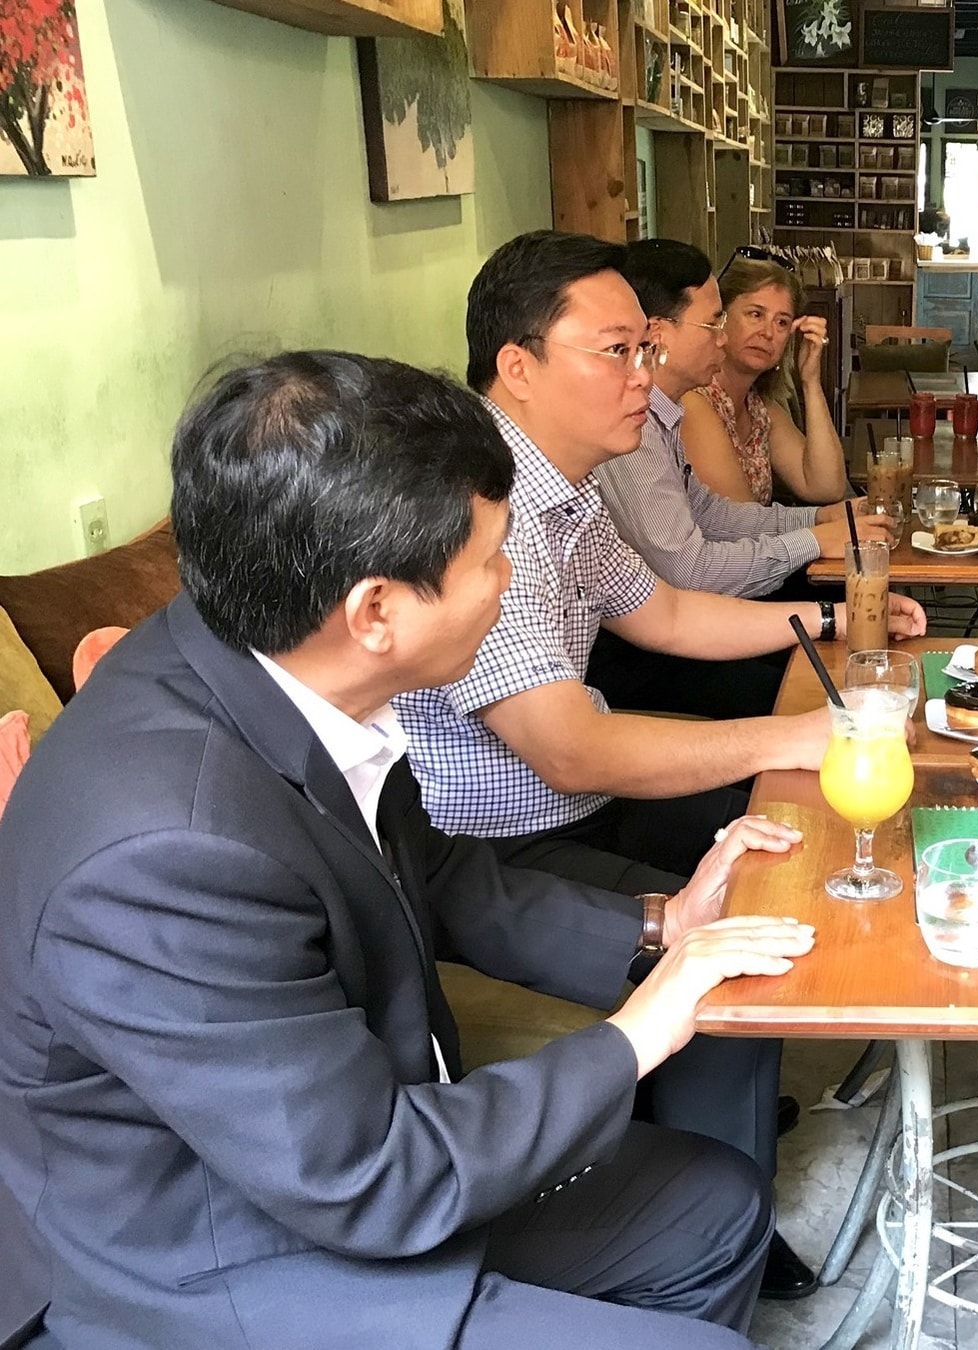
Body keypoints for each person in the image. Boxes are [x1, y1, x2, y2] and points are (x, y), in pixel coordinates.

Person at [0, 351, 820, 1350]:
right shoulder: (165, 851)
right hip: (218, 1266)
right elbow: (370, 1178)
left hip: (345, 1161)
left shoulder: (260, 667)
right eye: (491, 561)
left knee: (711, 1204)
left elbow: (429, 874)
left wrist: (664, 925)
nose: (510, 584)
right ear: (375, 611)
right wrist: (639, 1032)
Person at [392, 231, 924, 1300]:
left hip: (575, 811)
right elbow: (569, 743)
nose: (649, 377)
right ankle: (717, 1209)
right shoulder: (474, 510)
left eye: (648, 348)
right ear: (518, 365)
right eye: (618, 352)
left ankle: (716, 1133)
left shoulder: (564, 487)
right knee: (742, 944)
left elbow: (669, 612)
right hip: (486, 851)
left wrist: (825, 617)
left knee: (782, 845)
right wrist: (796, 737)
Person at [598, 239, 889, 601]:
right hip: (669, 627)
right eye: (714, 323)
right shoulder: (642, 421)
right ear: (657, 335)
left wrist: (823, 519)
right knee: (853, 599)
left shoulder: (668, 412)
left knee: (861, 595)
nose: (721, 339)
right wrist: (815, 538)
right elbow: (694, 569)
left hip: (687, 610)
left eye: (782, 322)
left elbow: (713, 515)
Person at [681, 251, 850, 506]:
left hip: (760, 545)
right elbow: (740, 520)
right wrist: (823, 525)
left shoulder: (759, 409)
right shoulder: (694, 403)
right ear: (720, 319)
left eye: (782, 322)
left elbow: (827, 487)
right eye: (756, 315)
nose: (768, 332)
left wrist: (810, 380)